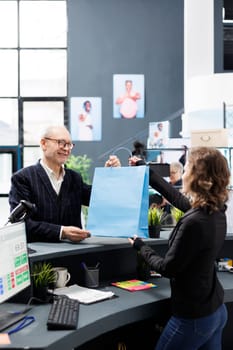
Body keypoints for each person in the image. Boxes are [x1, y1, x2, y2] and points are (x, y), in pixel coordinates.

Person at [129, 147, 230, 349]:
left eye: (187, 169)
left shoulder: (194, 221)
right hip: (216, 311)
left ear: (197, 177)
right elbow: (176, 197)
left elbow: (168, 268)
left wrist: (141, 246)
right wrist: (145, 170)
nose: (183, 174)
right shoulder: (216, 212)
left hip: (193, 319)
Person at [9, 125, 120, 243]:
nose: (66, 149)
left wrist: (109, 175)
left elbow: (99, 200)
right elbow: (20, 224)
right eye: (61, 143)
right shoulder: (23, 178)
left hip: (73, 255)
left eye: (69, 145)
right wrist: (62, 232)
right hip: (40, 257)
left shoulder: (74, 178)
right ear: (43, 144)